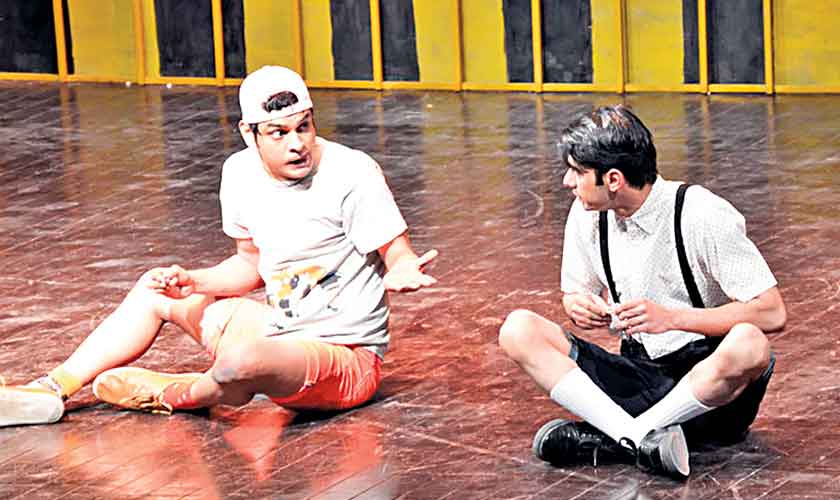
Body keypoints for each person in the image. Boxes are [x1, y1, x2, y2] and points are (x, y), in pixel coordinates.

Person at [0, 66, 437, 427]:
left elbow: (396, 252)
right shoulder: (239, 174)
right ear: (249, 133)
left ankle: (181, 393)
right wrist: (194, 281)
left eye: (304, 127)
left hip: (345, 360)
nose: (297, 143)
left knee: (242, 361)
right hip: (278, 331)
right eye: (279, 132)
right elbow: (251, 265)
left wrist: (402, 267)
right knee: (154, 291)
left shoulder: (352, 173)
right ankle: (50, 389)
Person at [498, 105, 786, 479]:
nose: (568, 182)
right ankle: (637, 438)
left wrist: (673, 319)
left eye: (578, 172)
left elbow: (771, 312)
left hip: (708, 390)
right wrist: (578, 306)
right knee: (518, 329)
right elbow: (575, 292)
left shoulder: (700, 213)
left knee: (751, 343)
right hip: (638, 374)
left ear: (613, 179)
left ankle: (614, 437)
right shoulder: (586, 215)